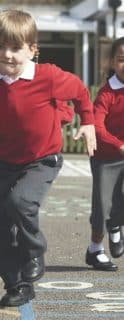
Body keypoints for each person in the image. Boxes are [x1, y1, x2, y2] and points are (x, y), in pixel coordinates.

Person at [0, 9, 96, 307]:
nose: (7, 55)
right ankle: (17, 285)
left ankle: (35, 250)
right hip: (5, 163)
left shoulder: (48, 76)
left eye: (15, 48)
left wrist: (87, 120)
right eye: (0, 47)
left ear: (32, 50)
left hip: (43, 159)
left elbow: (79, 91)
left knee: (20, 202)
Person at [86, 36, 124, 272]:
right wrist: (119, 145)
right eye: (121, 59)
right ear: (112, 62)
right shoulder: (107, 93)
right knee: (102, 204)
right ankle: (95, 249)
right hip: (106, 157)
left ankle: (116, 226)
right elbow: (97, 126)